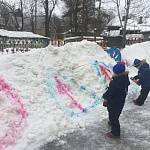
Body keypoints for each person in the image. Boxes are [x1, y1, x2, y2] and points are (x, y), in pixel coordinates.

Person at [103, 63, 130, 138]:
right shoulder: (125, 79)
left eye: (114, 71)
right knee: (116, 115)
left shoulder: (115, 82)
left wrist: (105, 97)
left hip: (114, 103)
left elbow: (110, 93)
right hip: (121, 101)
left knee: (113, 117)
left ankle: (115, 133)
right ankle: (112, 122)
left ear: (117, 73)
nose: (113, 73)